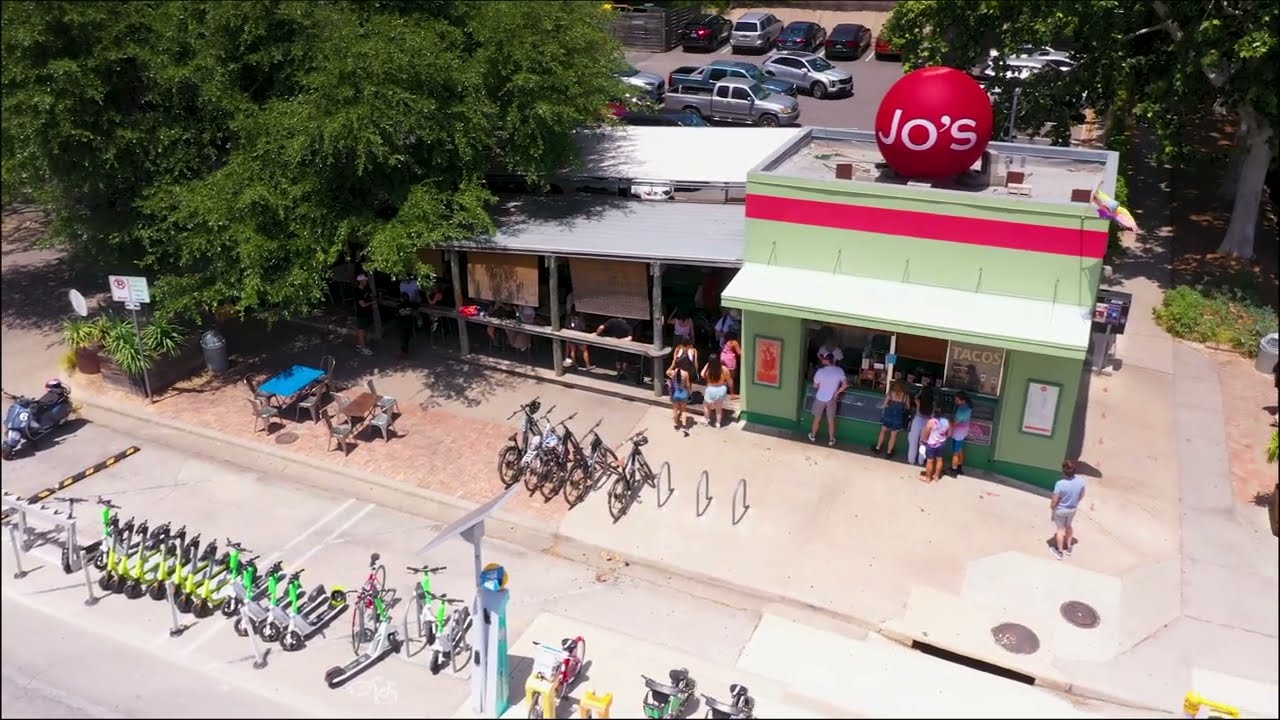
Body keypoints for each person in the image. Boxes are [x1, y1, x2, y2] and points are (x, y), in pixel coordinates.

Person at [1049, 459, 1086, 560]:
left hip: (1061, 510)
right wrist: (1075, 502)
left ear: (1063, 471)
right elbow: (1082, 495)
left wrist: (1052, 506)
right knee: (1069, 526)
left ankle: (1060, 552)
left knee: (1060, 530)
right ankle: (1069, 547)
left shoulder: (1060, 484)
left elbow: (1054, 500)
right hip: (1072, 509)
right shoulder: (1081, 481)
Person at [808, 353, 847, 446]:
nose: (821, 360)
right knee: (831, 420)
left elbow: (815, 385)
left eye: (823, 358)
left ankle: (813, 436)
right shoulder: (839, 370)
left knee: (817, 419)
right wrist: (836, 393)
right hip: (831, 398)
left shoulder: (820, 371)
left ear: (826, 360)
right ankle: (831, 440)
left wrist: (822, 387)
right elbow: (845, 385)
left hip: (820, 397)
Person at [873, 381, 908, 457]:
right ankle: (889, 452)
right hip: (898, 418)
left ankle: (878, 448)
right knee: (893, 436)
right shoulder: (905, 396)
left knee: (883, 432)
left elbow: (884, 405)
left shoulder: (890, 393)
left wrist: (880, 406)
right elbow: (907, 407)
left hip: (888, 416)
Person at [700, 353, 734, 428]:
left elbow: (702, 374)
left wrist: (706, 365)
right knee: (718, 408)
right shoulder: (724, 369)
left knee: (706, 406)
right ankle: (718, 423)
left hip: (710, 389)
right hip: (721, 389)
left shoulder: (708, 370)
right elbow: (729, 380)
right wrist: (731, 390)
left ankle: (706, 419)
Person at [920, 405, 951, 483]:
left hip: (931, 444)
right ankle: (936, 477)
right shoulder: (947, 422)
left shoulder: (931, 422)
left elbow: (926, 434)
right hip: (941, 443)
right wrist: (942, 438)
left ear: (934, 413)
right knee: (939, 459)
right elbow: (949, 434)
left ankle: (928, 478)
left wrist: (923, 441)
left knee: (929, 461)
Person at [906, 385, 934, 467]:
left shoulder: (919, 401)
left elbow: (915, 397)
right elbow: (932, 416)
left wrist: (920, 391)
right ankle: (921, 461)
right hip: (926, 422)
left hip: (917, 420)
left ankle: (911, 460)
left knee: (913, 441)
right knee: (923, 443)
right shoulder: (933, 403)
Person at [667, 356, 694, 430]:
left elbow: (667, 372)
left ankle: (675, 424)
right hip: (683, 394)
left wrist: (672, 365)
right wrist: (689, 393)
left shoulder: (673, 372)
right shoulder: (685, 373)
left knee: (675, 410)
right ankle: (684, 425)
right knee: (683, 410)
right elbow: (688, 385)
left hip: (675, 393)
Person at [949, 391, 972, 477]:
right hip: (963, 431)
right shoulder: (967, 406)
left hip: (958, 432)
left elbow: (954, 423)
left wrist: (947, 423)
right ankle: (959, 467)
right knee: (959, 449)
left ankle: (953, 470)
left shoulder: (962, 410)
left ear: (963, 400)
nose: (955, 401)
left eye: (957, 400)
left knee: (955, 452)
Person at [563, 303, 592, 370]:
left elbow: (566, 325)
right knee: (584, 350)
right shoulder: (581, 317)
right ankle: (588, 365)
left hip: (571, 335)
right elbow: (583, 327)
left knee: (572, 351)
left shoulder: (569, 316)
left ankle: (574, 364)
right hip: (579, 335)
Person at [354, 274, 376, 355]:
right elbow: (362, 304)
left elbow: (371, 294)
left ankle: (360, 345)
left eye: (366, 280)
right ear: (361, 281)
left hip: (367, 313)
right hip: (361, 314)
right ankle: (363, 348)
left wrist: (373, 297)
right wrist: (372, 302)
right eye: (365, 280)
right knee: (361, 330)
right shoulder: (358, 291)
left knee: (364, 330)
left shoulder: (366, 288)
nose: (366, 281)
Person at [395, 290, 419, 357]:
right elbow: (417, 305)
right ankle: (405, 350)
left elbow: (396, 315)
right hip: (409, 324)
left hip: (402, 324)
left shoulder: (398, 306)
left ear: (401, 299)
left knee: (403, 338)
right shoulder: (412, 304)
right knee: (407, 337)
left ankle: (404, 351)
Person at [720, 330, 741, 397]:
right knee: (730, 377)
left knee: (723, 375)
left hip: (723, 357)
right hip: (729, 359)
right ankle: (732, 394)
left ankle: (721, 391)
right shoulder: (734, 342)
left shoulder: (725, 341)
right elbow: (739, 352)